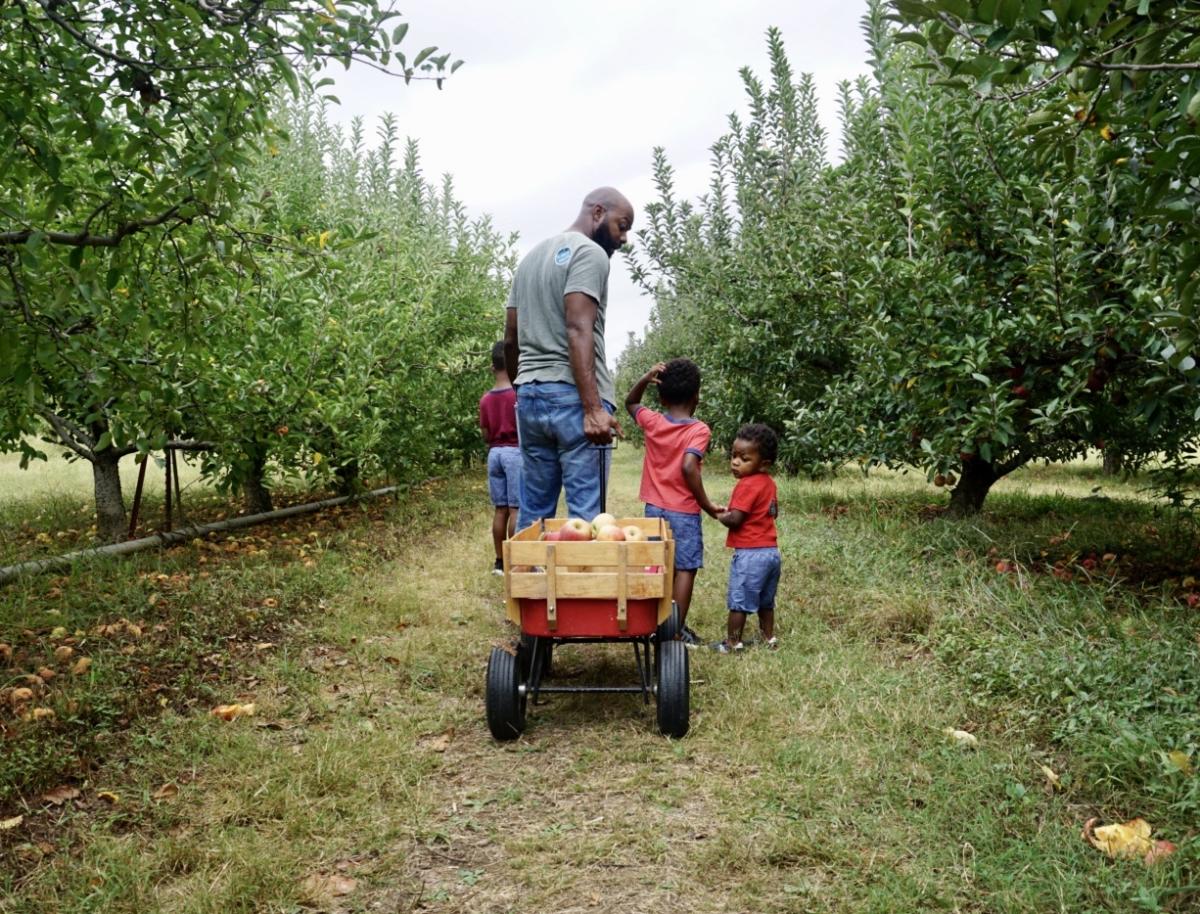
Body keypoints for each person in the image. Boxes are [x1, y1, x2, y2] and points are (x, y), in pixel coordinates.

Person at [504, 187, 634, 529]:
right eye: (622, 225)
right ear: (597, 213)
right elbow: (578, 327)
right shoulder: (590, 254)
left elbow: (510, 338)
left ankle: (527, 580)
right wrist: (592, 409)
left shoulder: (529, 259)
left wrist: (523, 394)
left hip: (531, 394)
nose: (623, 238)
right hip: (574, 400)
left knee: (533, 512)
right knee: (587, 517)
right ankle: (582, 584)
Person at [625, 359, 724, 647]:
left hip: (653, 510)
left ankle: (659, 622)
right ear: (697, 396)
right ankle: (674, 631)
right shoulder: (699, 430)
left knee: (660, 564)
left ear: (662, 397)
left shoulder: (653, 421)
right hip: (683, 510)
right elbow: (689, 466)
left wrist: (645, 378)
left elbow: (631, 402)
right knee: (685, 568)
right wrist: (706, 504)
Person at [713, 423, 781, 653]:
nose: (735, 462)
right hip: (771, 553)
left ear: (764, 463)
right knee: (765, 601)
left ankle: (732, 642)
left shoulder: (746, 485)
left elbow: (736, 519)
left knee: (739, 601)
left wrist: (719, 514)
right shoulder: (769, 484)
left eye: (744, 458)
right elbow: (773, 512)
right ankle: (768, 638)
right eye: (733, 456)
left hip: (750, 554)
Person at [479, 341, 521, 575]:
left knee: (500, 509)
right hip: (514, 452)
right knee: (516, 509)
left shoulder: (485, 400)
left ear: (492, 367)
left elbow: (485, 434)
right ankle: (515, 560)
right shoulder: (517, 395)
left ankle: (499, 562)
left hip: (494, 453)